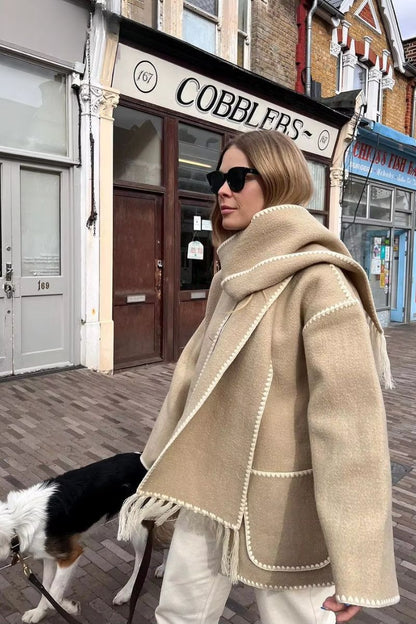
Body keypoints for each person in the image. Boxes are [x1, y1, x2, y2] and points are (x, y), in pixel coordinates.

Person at [118, 130, 399, 624]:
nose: (222, 190)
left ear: (278, 180)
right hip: (209, 485)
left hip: (284, 501)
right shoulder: (230, 276)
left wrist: (357, 561)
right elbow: (194, 376)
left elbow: (350, 431)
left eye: (237, 177)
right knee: (176, 614)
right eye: (217, 179)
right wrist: (161, 464)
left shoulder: (322, 282)